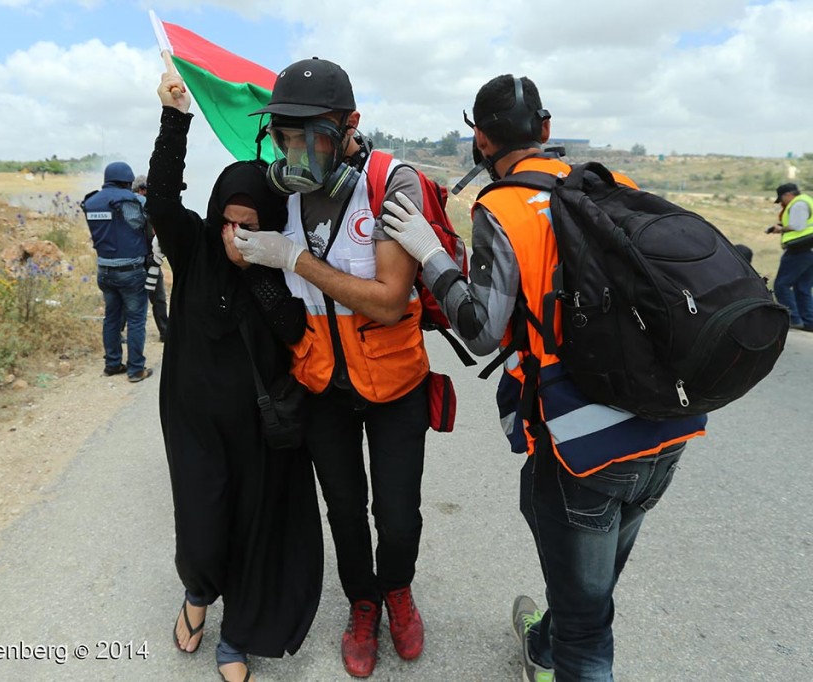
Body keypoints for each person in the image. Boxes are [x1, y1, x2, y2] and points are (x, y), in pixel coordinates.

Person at [379, 74, 708, 681]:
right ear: (547, 131)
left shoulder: (499, 207)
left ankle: (566, 649)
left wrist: (430, 256)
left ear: (480, 141)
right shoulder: (613, 185)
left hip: (585, 444)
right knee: (590, 570)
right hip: (668, 423)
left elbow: (482, 331)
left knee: (590, 635)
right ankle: (548, 643)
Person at [234, 57, 430, 678]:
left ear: (349, 126)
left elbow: (392, 298)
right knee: (344, 509)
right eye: (285, 136)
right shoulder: (279, 192)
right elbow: (233, 221)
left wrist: (293, 257)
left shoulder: (391, 184)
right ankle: (363, 604)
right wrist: (237, 240)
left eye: (311, 134)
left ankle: (397, 589)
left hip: (395, 384)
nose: (296, 150)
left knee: (396, 515)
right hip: (321, 384)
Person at [150, 56, 323, 682]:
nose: (235, 237)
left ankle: (238, 635)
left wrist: (272, 276)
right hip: (193, 420)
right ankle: (198, 597)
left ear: (269, 226)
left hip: (258, 428)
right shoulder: (194, 250)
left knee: (253, 525)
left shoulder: (280, 269)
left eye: (249, 228)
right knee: (200, 518)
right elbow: (164, 199)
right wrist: (175, 118)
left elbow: (298, 336)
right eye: (228, 223)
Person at [81, 161, 152, 382]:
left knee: (111, 318)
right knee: (136, 319)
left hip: (104, 270)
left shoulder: (90, 201)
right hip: (130, 270)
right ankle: (135, 370)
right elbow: (144, 220)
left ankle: (112, 364)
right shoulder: (131, 200)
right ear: (127, 181)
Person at [766, 183, 813, 331]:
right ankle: (809, 321)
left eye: (781, 200)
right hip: (809, 250)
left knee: (781, 285)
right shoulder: (807, 200)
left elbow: (797, 226)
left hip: (799, 250)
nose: (781, 203)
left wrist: (780, 229)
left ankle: (794, 318)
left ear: (788, 195)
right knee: (802, 287)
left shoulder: (798, 204)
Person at [131, 173, 170, 342]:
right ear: (141, 190)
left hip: (136, 259)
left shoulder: (126, 207)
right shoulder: (143, 207)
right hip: (146, 259)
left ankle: (164, 331)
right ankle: (165, 332)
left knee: (132, 299)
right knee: (157, 298)